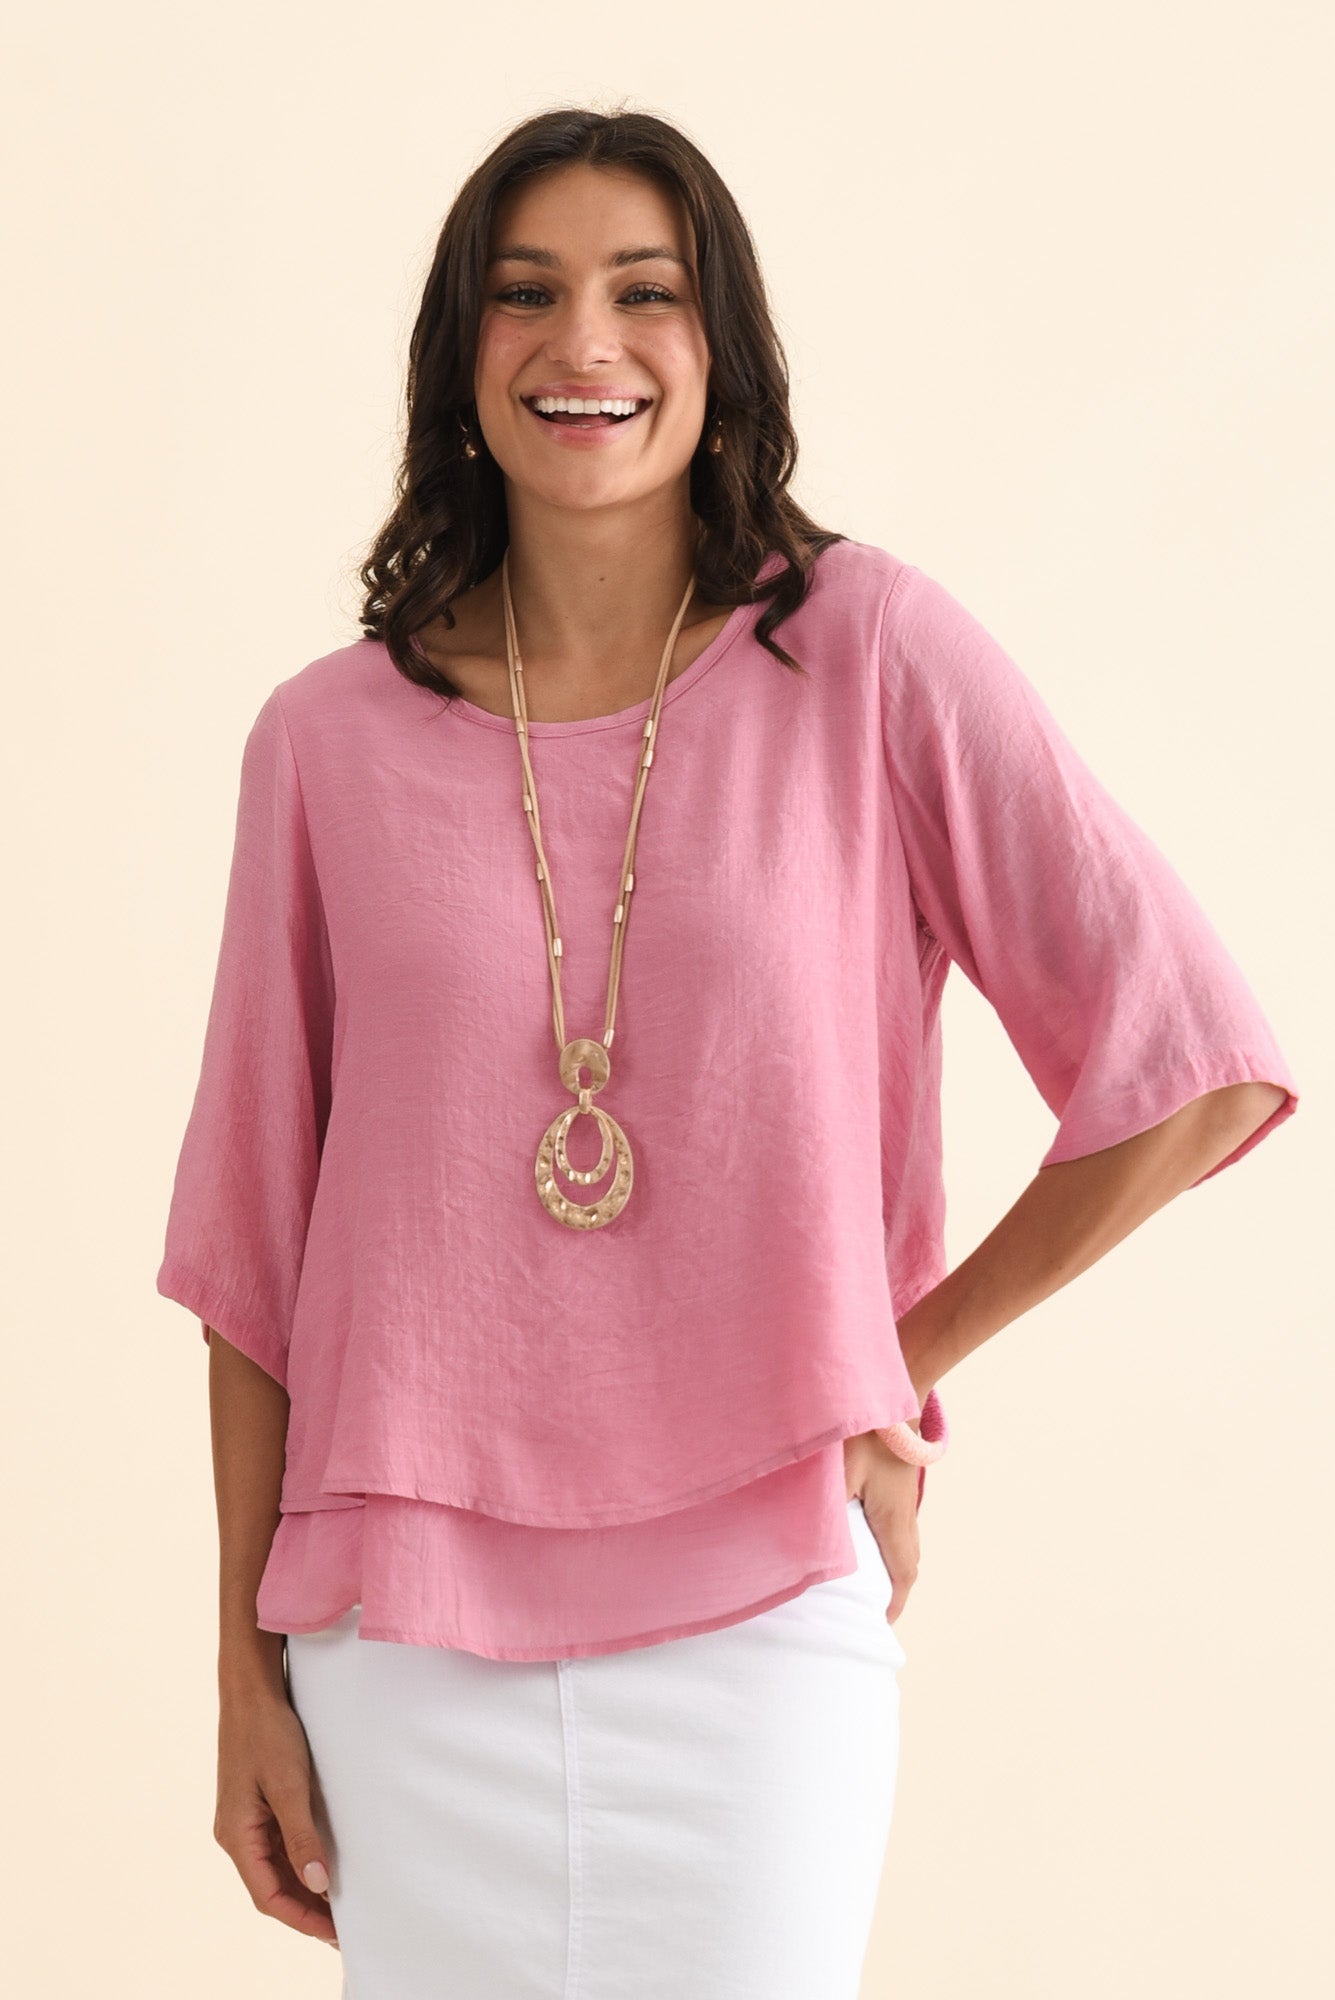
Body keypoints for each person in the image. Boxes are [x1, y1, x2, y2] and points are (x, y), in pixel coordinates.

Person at [156, 108, 1299, 2000]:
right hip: (399, 1638)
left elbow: (1194, 1065)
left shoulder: (868, 655)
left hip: (764, 1615)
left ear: (721, 350)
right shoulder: (323, 744)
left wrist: (889, 1362)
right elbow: (251, 1263)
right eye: (526, 294)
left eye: (645, 293)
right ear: (461, 355)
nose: (582, 344)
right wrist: (239, 1677)